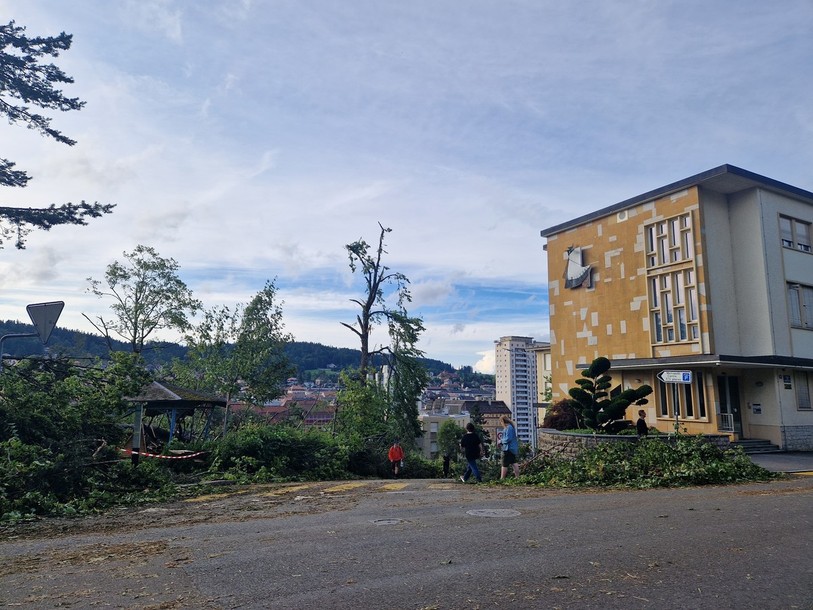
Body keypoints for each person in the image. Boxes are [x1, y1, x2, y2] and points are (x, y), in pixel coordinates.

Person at [499, 415, 520, 479]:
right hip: (512, 448)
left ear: (503, 421)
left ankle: (502, 478)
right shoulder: (510, 427)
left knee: (504, 464)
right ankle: (517, 477)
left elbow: (508, 439)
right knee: (514, 462)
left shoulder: (508, 428)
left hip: (507, 448)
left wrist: (501, 441)